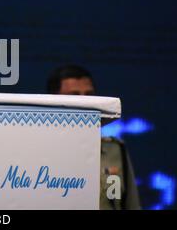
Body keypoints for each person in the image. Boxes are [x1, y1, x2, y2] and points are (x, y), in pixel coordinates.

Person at [47, 64, 142, 210]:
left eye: (89, 95)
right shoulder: (42, 151)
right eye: (74, 96)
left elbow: (131, 205)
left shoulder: (114, 150)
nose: (85, 102)